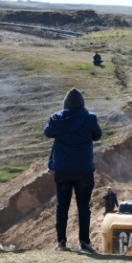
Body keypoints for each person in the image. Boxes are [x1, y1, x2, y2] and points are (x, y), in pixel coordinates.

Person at [44, 88, 102, 253]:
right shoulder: (89, 118)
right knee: (84, 206)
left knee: (62, 206)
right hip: (84, 170)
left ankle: (61, 242)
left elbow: (48, 132)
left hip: (63, 169)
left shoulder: (57, 118)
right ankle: (85, 242)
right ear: (82, 103)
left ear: (66, 104)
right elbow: (97, 135)